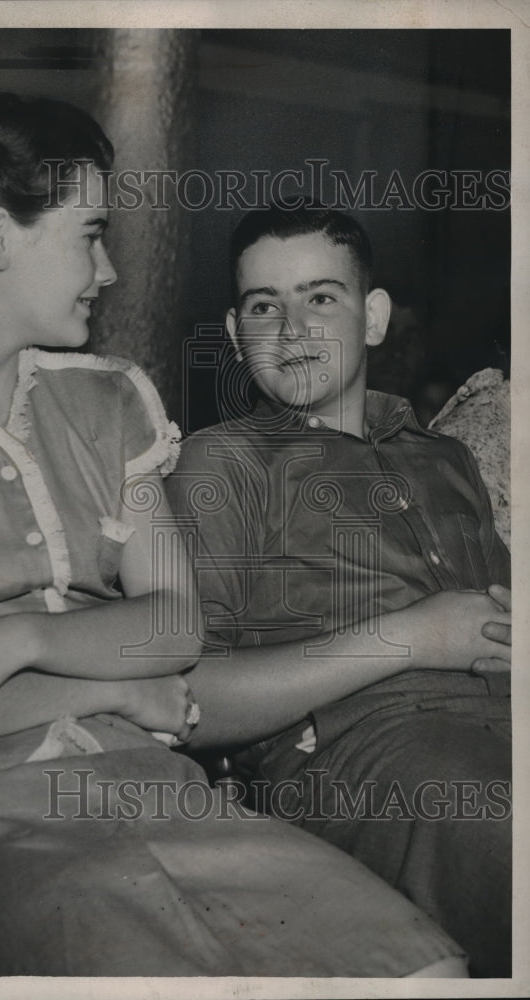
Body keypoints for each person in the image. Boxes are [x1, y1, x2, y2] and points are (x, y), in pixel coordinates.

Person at [0, 93, 467, 977]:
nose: (108, 268)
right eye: (88, 234)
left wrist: (11, 641)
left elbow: (172, 627)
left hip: (157, 791)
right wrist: (111, 694)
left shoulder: (112, 398)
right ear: (1, 239)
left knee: (423, 970)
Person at [167, 204, 512, 977]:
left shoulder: (445, 454)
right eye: (264, 306)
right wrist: (414, 638)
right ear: (233, 331)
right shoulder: (224, 461)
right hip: (365, 759)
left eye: (319, 297)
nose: (289, 330)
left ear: (374, 316)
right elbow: (191, 701)